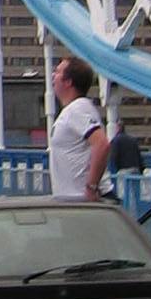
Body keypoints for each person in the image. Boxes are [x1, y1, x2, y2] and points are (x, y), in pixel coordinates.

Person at [48, 57, 113, 197]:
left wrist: (92, 187)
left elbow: (102, 144)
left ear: (68, 82)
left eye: (58, 72)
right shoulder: (73, 110)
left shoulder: (78, 109)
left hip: (87, 202)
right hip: (73, 202)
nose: (53, 75)